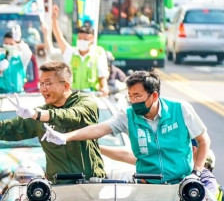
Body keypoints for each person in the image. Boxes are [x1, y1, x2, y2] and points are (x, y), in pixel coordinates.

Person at [41, 71, 217, 194]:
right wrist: (67, 137)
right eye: (130, 96)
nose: (133, 101)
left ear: (154, 96)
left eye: (137, 96)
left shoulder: (180, 109)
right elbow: (100, 128)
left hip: (181, 184)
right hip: (147, 186)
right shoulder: (129, 115)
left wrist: (197, 172)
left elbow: (204, 141)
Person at [0, 61, 106, 182]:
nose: (43, 89)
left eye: (48, 83)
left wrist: (39, 115)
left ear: (66, 86)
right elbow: (4, 129)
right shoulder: (38, 115)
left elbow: (72, 115)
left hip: (91, 183)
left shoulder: (86, 103)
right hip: (60, 187)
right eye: (41, 83)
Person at [51, 6, 109, 94]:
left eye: (85, 39)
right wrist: (54, 20)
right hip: (73, 94)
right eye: (80, 38)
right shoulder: (71, 53)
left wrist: (104, 88)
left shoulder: (98, 53)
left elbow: (102, 76)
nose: (82, 41)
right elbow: (59, 37)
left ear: (92, 39)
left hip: (91, 95)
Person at [0, 27, 32, 94]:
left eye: (11, 44)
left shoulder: (20, 58)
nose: (8, 46)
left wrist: (19, 41)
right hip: (3, 95)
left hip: (19, 94)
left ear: (16, 45)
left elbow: (28, 53)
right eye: (6, 43)